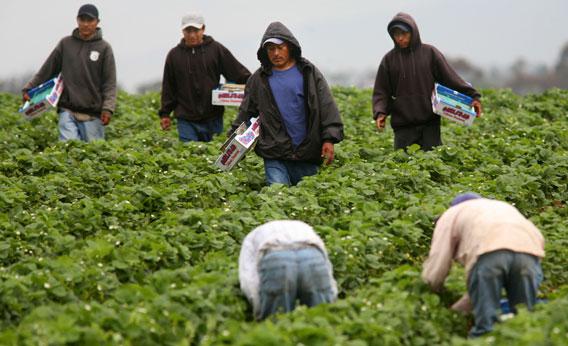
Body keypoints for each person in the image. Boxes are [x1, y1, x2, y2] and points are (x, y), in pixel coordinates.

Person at [230, 21, 344, 186]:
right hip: (274, 153)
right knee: (277, 198)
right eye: (270, 49)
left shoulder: (308, 73)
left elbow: (326, 106)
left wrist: (329, 139)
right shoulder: (258, 79)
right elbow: (246, 112)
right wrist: (232, 143)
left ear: (290, 47)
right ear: (265, 52)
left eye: (280, 47)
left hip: (307, 151)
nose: (276, 53)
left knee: (307, 199)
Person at [422, 193, 545, 337]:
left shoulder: (451, 215)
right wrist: (464, 305)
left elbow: (439, 261)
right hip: (528, 252)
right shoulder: (501, 207)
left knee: (486, 327)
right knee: (524, 319)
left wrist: (429, 290)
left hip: (489, 251)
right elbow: (538, 239)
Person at [372, 13, 482, 151]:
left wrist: (473, 96)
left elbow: (451, 78)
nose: (400, 38)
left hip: (430, 126)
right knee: (405, 168)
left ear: (413, 32)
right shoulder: (389, 60)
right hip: (403, 128)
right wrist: (380, 113)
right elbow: (381, 92)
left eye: (404, 33)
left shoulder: (430, 53)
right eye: (396, 34)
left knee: (432, 167)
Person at [22, 4, 116, 142]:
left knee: (93, 155)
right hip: (67, 109)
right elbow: (47, 69)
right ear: (77, 20)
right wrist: (29, 88)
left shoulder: (104, 48)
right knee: (68, 150)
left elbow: (110, 83)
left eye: (89, 21)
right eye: (82, 20)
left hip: (93, 113)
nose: (85, 24)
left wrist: (108, 109)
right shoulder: (66, 44)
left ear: (97, 22)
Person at [159, 13, 251, 142]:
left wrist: (254, 84)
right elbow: (169, 86)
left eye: (195, 30)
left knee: (212, 155)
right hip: (186, 119)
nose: (191, 35)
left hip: (213, 117)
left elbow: (236, 71)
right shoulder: (174, 55)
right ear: (182, 31)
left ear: (203, 29)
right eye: (188, 30)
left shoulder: (216, 49)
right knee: (189, 155)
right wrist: (165, 114)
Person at [238, 220, 338, 320]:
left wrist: (260, 309)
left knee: (277, 319)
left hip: (277, 257)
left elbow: (248, 278)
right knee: (321, 315)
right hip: (312, 254)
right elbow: (326, 263)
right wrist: (331, 296)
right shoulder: (302, 226)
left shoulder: (251, 237)